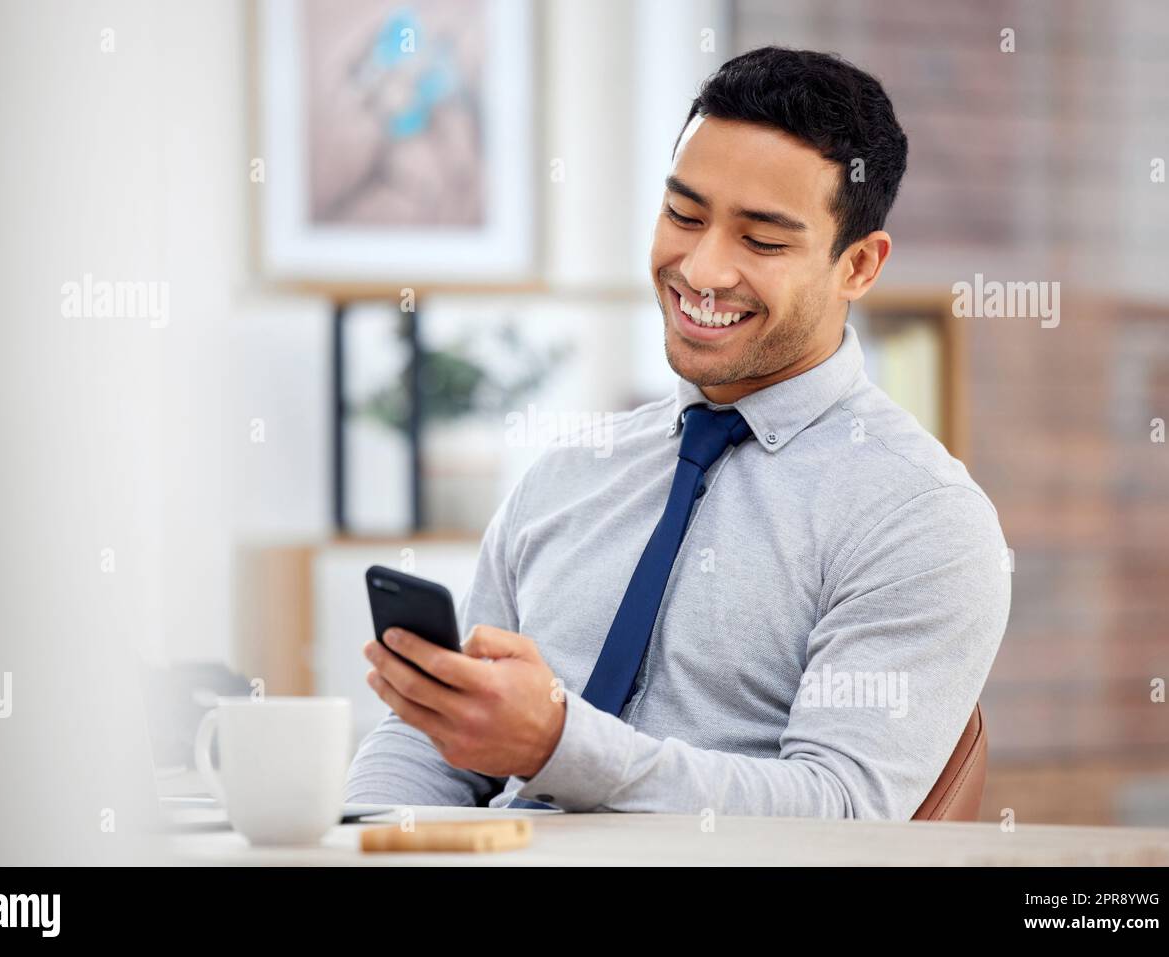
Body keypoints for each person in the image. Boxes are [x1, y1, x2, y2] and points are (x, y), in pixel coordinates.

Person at [344, 46, 1011, 818]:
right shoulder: (568, 474)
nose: (701, 269)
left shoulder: (921, 518)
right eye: (683, 215)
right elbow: (430, 741)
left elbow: (843, 813)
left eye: (761, 241)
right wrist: (365, 837)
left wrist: (558, 744)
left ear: (858, 266)